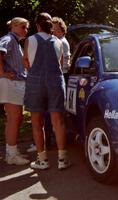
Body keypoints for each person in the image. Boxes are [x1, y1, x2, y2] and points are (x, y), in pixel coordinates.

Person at [23, 13, 71, 170]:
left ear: (37, 25)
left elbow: (26, 63)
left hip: (35, 83)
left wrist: (35, 73)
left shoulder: (29, 40)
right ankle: (62, 159)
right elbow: (60, 64)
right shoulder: (58, 41)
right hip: (55, 83)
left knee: (37, 123)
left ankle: (42, 160)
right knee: (58, 122)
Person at [0, 17, 30, 165]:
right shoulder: (9, 39)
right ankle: (11, 155)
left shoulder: (15, 41)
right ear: (14, 26)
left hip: (14, 83)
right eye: (23, 27)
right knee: (14, 118)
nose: (26, 30)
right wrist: (2, 73)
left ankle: (11, 151)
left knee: (14, 119)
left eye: (27, 27)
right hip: (10, 83)